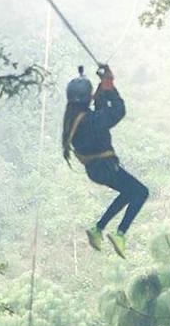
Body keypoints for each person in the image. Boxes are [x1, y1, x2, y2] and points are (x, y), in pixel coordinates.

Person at [62, 64, 149, 258]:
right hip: (106, 167)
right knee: (141, 192)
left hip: (95, 170)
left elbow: (99, 114)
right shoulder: (90, 120)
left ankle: (98, 228)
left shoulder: (73, 119)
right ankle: (120, 233)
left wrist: (104, 87)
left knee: (129, 192)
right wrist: (108, 84)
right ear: (87, 97)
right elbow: (117, 112)